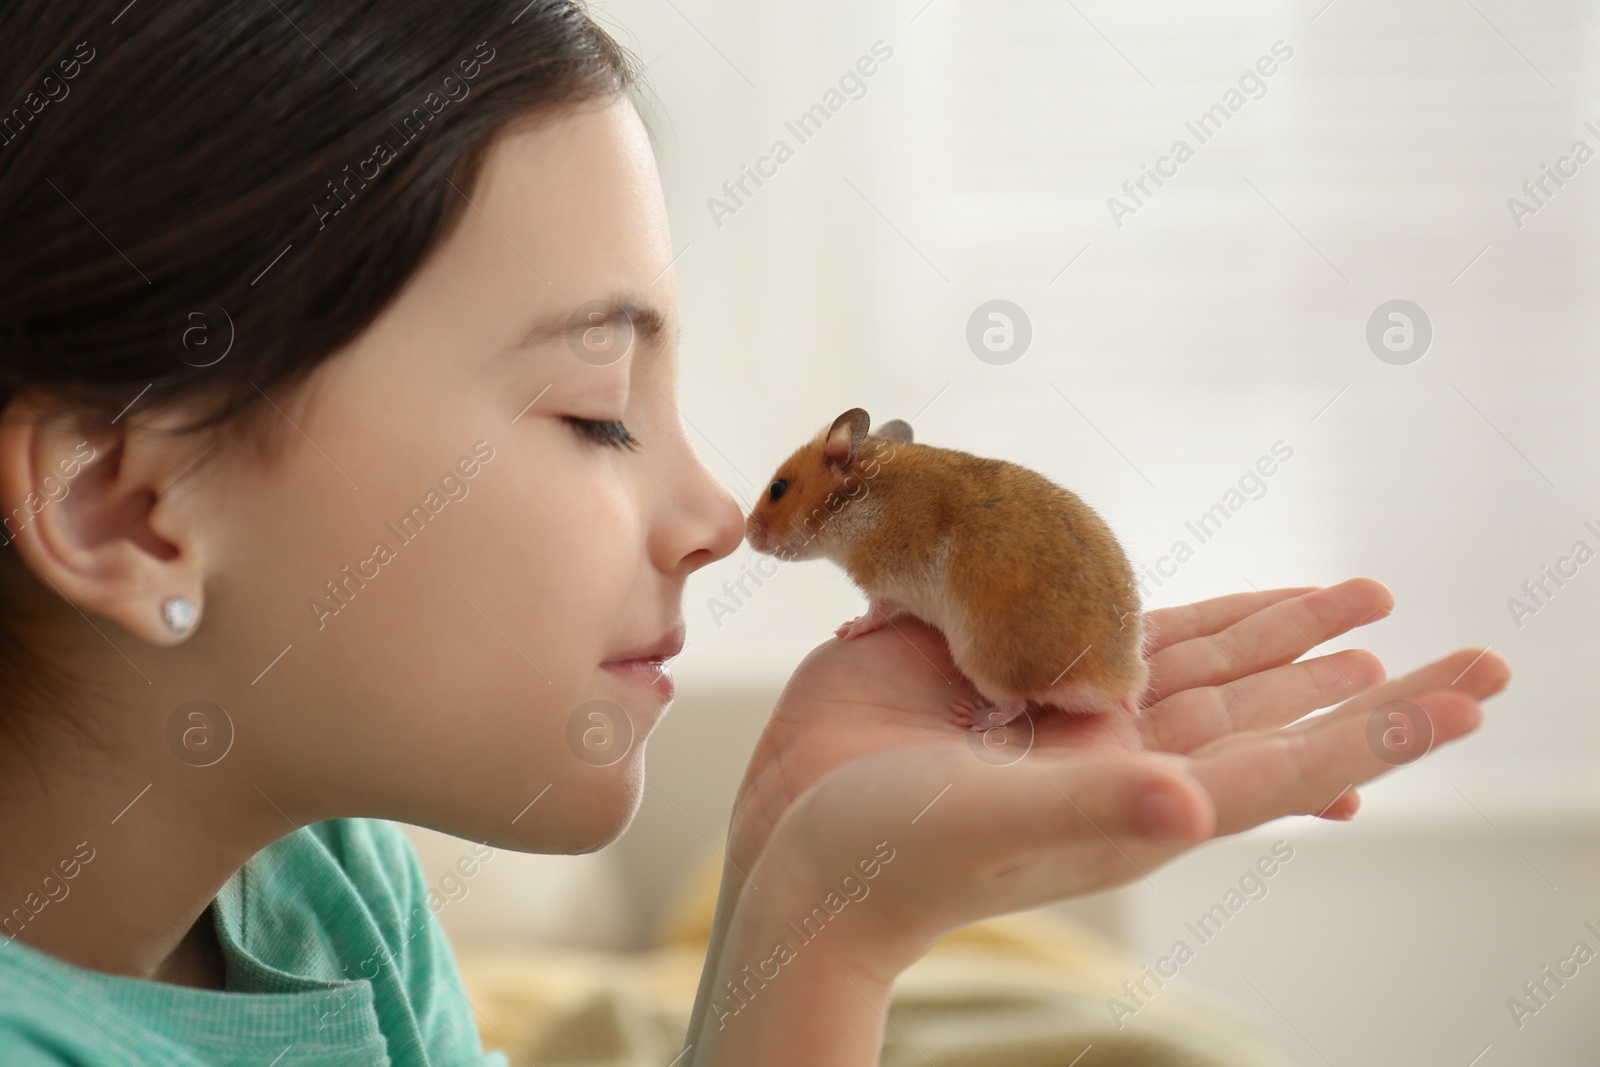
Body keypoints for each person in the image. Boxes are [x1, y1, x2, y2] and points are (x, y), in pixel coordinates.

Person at [0, 2, 1509, 1064]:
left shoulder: (329, 893)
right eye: (597, 410)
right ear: (128, 506)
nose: (719, 516)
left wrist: (810, 913)